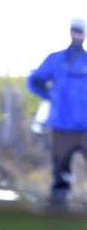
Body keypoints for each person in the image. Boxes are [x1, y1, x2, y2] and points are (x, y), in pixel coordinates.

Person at [28, 18, 87, 205]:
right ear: (70, 33)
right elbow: (35, 79)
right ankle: (58, 212)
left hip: (86, 127)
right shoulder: (55, 60)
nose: (77, 35)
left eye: (80, 32)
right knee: (60, 175)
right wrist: (48, 95)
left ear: (84, 35)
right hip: (61, 126)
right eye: (74, 31)